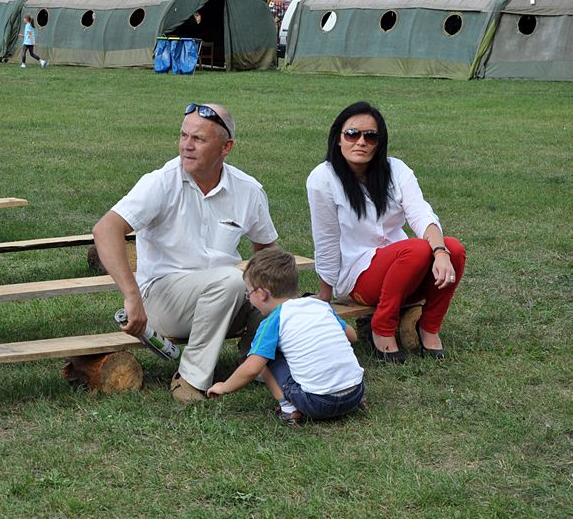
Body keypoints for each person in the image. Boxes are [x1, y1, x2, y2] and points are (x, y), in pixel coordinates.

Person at [93, 103, 279, 403]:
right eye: (183, 136)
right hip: (163, 299)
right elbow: (106, 229)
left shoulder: (248, 189)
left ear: (226, 147)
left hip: (224, 296)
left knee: (273, 292)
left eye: (198, 139)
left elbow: (267, 251)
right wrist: (132, 296)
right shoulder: (161, 182)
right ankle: (191, 378)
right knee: (233, 281)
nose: (186, 146)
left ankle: (255, 364)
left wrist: (278, 292)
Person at [307, 101, 466, 363]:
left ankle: (429, 327)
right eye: (352, 134)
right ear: (338, 138)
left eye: (370, 136)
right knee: (416, 249)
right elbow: (326, 239)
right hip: (359, 275)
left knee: (454, 249)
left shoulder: (397, 170)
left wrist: (440, 252)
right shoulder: (323, 178)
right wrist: (325, 294)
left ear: (380, 143)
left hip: (405, 268)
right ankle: (382, 328)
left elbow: (421, 213)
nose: (361, 142)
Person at [207, 248, 366, 426]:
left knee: (264, 356)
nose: (249, 299)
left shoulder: (273, 320)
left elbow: (252, 368)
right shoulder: (320, 306)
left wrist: (224, 387)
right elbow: (352, 337)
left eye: (248, 293)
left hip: (316, 403)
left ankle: (289, 409)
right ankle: (357, 397)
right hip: (355, 394)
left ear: (262, 294)